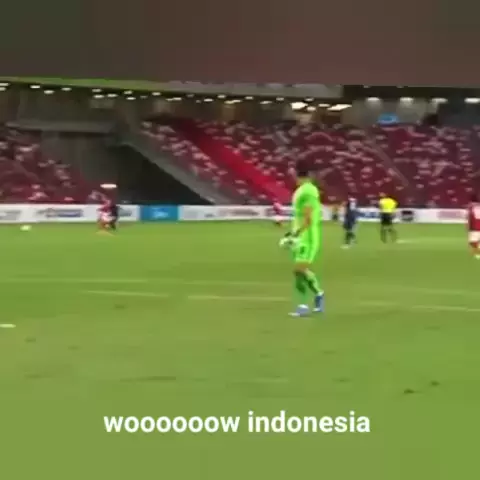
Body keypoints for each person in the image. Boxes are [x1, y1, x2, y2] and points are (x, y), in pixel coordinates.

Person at [280, 160, 324, 317]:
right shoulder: (300, 191)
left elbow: (308, 218)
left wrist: (296, 234)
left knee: (299, 269)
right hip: (300, 237)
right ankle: (318, 295)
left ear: (296, 173)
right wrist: (291, 234)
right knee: (299, 272)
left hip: (308, 237)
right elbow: (299, 217)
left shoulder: (308, 191)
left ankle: (304, 305)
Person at [467, 194, 480, 259]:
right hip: (478, 227)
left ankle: (478, 254)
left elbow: (469, 218)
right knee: (475, 242)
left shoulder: (471, 207)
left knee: (472, 242)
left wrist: (468, 226)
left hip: (474, 227)